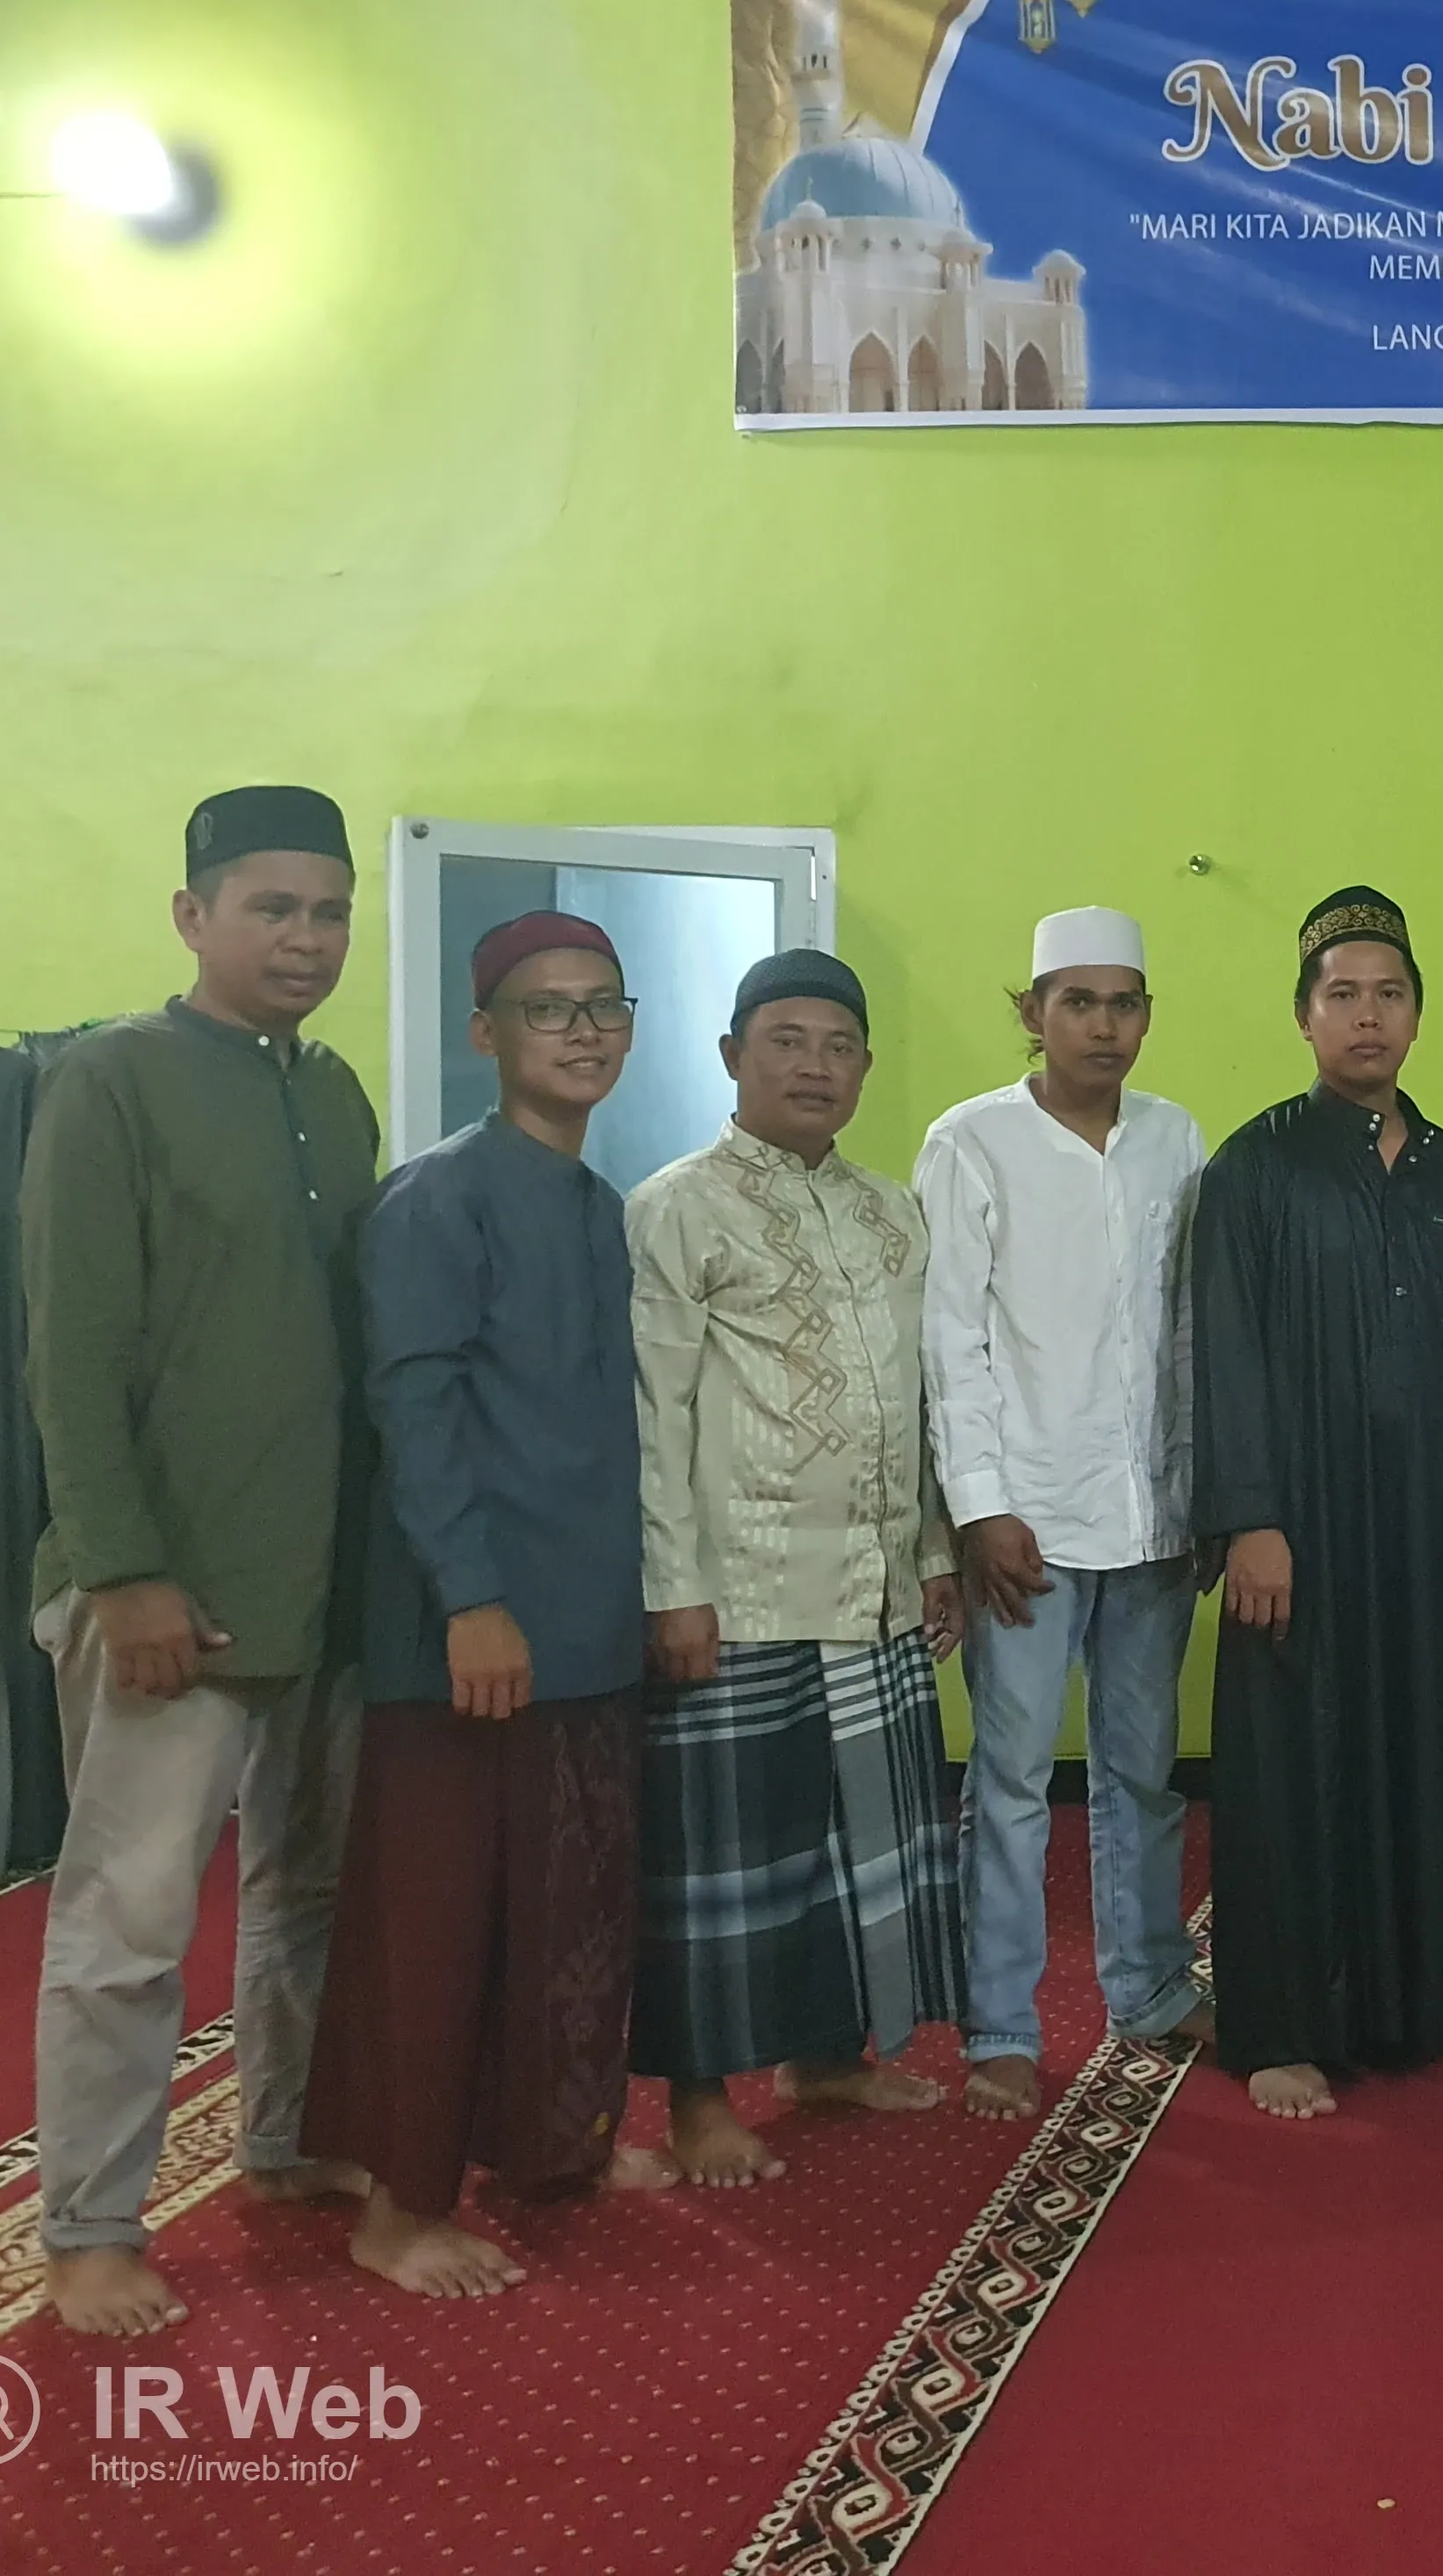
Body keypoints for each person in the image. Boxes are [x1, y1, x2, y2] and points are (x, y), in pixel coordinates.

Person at [24, 784, 379, 2337]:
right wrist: (121, 1572)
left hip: (320, 1581)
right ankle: (91, 2224)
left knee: (313, 1890)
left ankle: (287, 2140)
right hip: (169, 1588)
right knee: (130, 1919)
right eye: (273, 909)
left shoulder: (339, 1096)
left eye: (329, 911)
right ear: (193, 916)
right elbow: (72, 1350)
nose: (306, 940)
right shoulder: (113, 1082)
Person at [303, 913, 671, 2297]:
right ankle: (397, 2203)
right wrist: (472, 1600)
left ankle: (551, 2147)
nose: (580, 1032)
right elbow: (415, 1405)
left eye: (600, 1008)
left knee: (567, 1906)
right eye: (546, 1010)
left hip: (584, 1625)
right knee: (438, 1925)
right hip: (470, 1631)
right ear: (486, 1037)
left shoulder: (595, 1202)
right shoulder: (438, 1195)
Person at [629, 947, 966, 2185]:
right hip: (739, 1586)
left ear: (866, 1067)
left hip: (873, 1583)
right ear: (732, 1056)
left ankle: (831, 2056)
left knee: (852, 1840)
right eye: (786, 1041)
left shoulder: (893, 1210)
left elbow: (924, 1400)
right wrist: (672, 1586)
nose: (814, 1065)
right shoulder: (677, 1205)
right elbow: (656, 1413)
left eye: (837, 1045)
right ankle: (700, 2099)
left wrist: (933, 1553)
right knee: (722, 1853)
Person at [1189, 888, 1443, 2121]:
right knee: (1294, 1759)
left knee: (1437, 1743)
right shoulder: (1257, 1164)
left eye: (1388, 993)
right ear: (1302, 1017)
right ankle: (1281, 2023)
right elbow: (1223, 1349)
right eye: (1342, 994)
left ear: (1419, 1016)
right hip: (1303, 1516)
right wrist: (1252, 1518)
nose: (1366, 1015)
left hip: (1435, 1514)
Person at [916, 907, 1209, 2125]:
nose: (1104, 1025)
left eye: (1124, 1002)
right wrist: (979, 1510)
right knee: (1015, 1777)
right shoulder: (971, 1141)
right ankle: (999, 2025)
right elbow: (951, 1338)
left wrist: (1203, 1495)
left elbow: (1189, 1332)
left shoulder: (1174, 1136)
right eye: (1077, 1002)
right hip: (1024, 1523)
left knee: (1143, 1774)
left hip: (1153, 1517)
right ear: (1032, 1014)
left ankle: (1147, 1991)